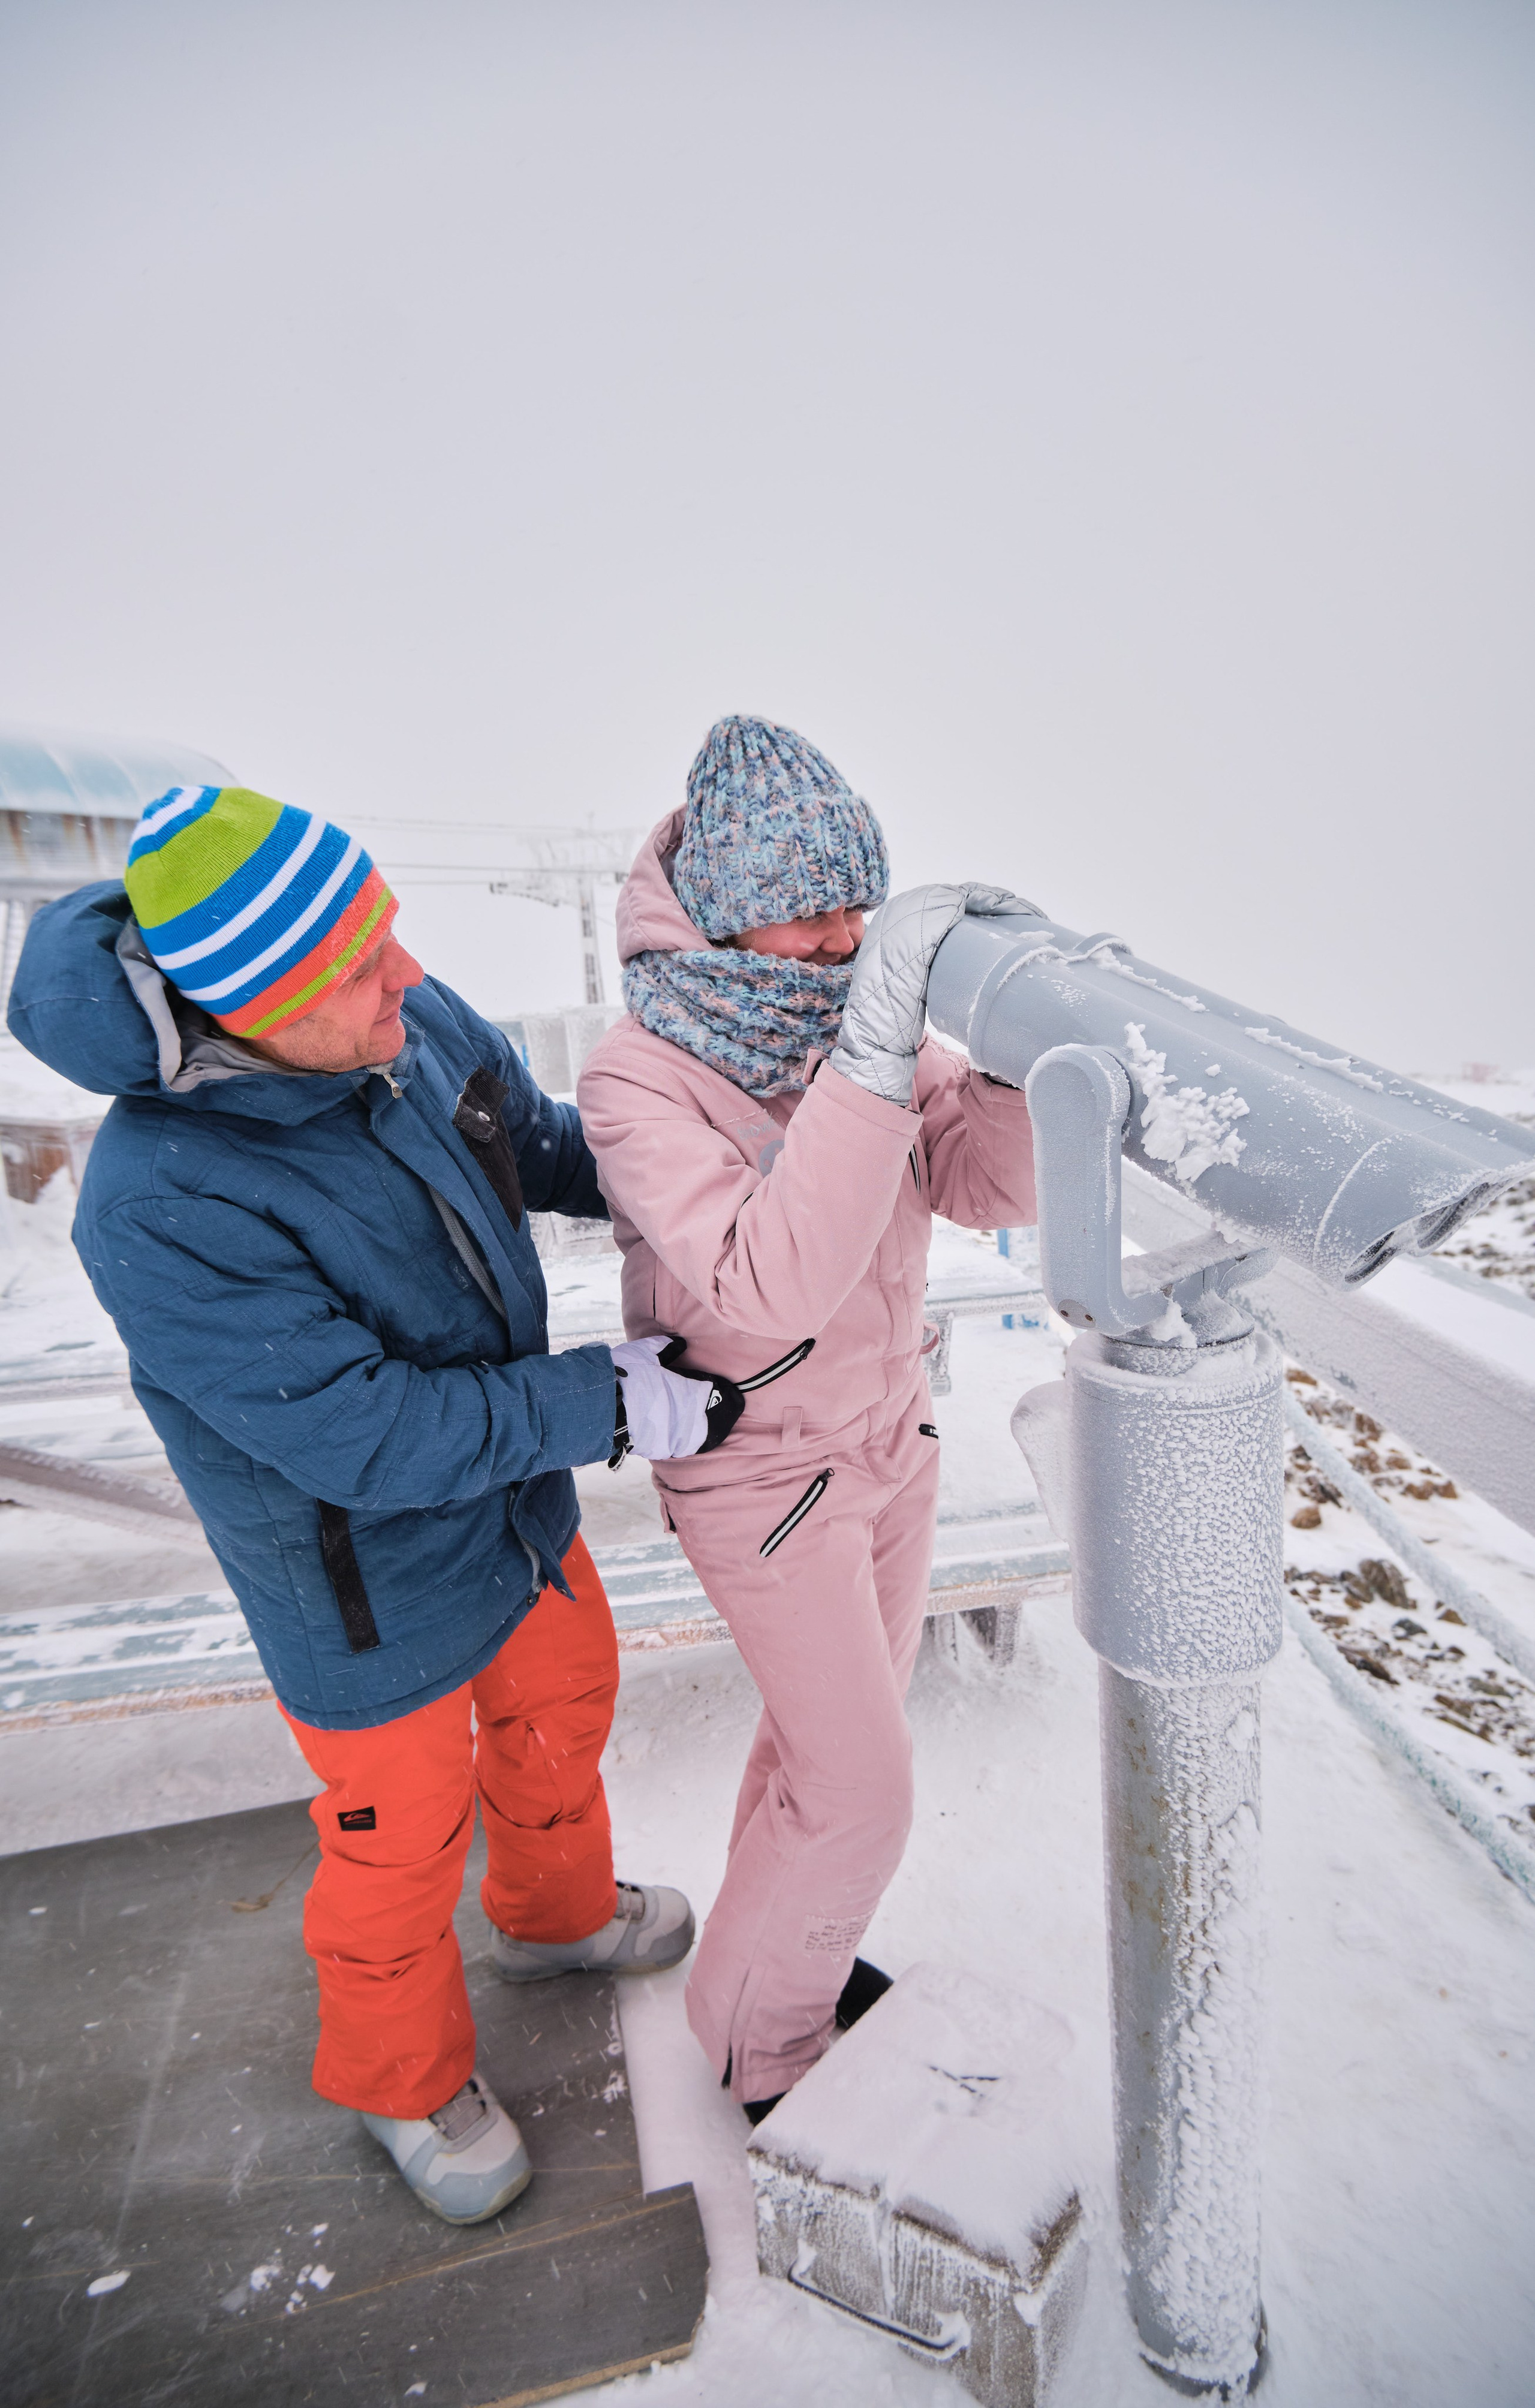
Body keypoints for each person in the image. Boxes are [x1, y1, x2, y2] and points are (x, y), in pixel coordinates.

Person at [5, 781, 727, 2226]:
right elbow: (363, 1432)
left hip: (511, 1509)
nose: (405, 969)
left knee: (561, 1711)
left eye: (388, 928)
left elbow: (533, 1137)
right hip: (356, 1583)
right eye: (357, 962)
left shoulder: (399, 1021)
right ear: (248, 1008)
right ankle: (399, 2081)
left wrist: (687, 1182)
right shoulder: (156, 1202)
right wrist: (607, 1400)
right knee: (398, 1844)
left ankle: (554, 1921)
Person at [577, 715, 1037, 2120]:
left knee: (816, 1756)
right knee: (861, 1793)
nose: (842, 942)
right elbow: (764, 1286)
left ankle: (745, 1986)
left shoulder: (865, 1028)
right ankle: (760, 2054)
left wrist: (1013, 1048)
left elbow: (986, 1188)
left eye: (859, 907)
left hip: (890, 1447)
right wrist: (874, 1061)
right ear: (722, 909)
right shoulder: (638, 1075)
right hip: (762, 1480)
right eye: (807, 914)